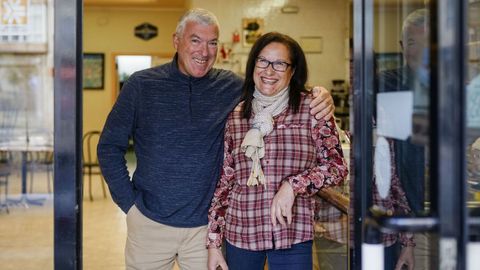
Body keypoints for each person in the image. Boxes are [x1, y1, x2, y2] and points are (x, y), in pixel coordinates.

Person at [97, 8, 334, 270]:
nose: (204, 51)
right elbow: (109, 147)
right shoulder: (141, 85)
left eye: (212, 43)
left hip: (204, 230)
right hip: (150, 224)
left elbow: (273, 84)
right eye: (195, 40)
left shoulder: (233, 87)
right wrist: (129, 205)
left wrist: (321, 94)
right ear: (177, 41)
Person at [206, 32, 348, 270]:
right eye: (262, 61)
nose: (269, 71)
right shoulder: (237, 116)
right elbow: (226, 182)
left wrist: (293, 185)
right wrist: (213, 243)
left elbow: (337, 167)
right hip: (241, 232)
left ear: (293, 71)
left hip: (292, 234)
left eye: (280, 64)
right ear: (253, 65)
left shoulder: (312, 109)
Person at [375, 8, 431, 270]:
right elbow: (396, 153)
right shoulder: (387, 82)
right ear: (401, 46)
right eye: (412, 42)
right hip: (409, 211)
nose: (420, 50)